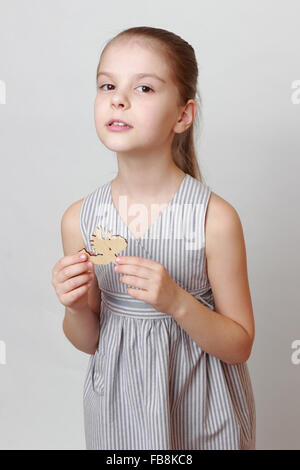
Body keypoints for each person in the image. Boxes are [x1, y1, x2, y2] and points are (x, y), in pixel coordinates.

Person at [51, 26, 256, 450]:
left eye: (144, 87)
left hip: (203, 413)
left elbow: (239, 345)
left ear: (182, 115)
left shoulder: (214, 219)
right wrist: (74, 308)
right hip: (118, 416)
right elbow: (89, 341)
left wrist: (176, 301)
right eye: (107, 85)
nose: (118, 98)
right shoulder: (79, 221)